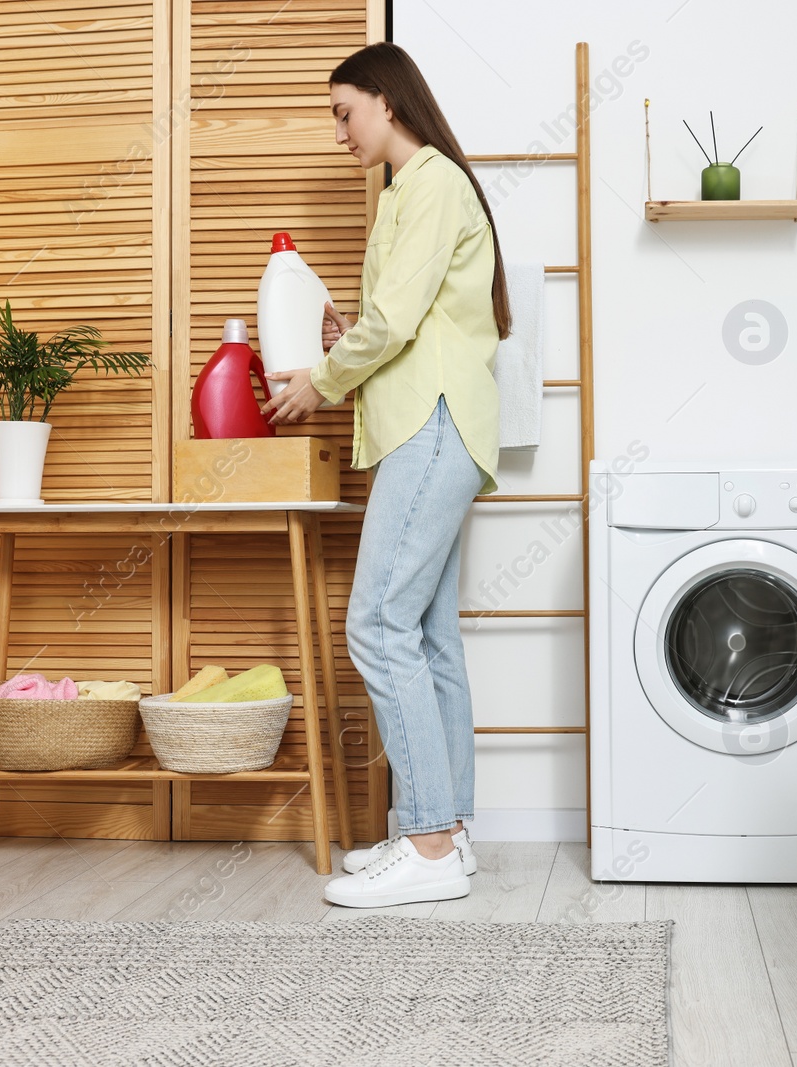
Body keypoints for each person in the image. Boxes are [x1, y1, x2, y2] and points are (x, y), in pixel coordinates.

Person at [260, 41, 509, 908]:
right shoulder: (413, 192)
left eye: (343, 112)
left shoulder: (430, 181)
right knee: (428, 635)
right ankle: (444, 833)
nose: (339, 134)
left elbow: (399, 320)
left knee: (375, 623)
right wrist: (348, 337)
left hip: (433, 425)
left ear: (387, 101)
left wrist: (319, 383)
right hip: (440, 422)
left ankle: (431, 842)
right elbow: (408, 317)